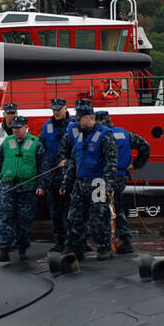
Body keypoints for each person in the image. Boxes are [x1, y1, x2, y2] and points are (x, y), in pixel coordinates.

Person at [61, 105, 118, 260]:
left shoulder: (105, 135)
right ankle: (77, 247)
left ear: (88, 118)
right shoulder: (80, 136)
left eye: (79, 119)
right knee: (75, 216)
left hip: (98, 181)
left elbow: (111, 162)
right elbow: (73, 161)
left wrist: (108, 184)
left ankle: (103, 248)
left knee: (99, 217)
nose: (77, 123)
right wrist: (66, 182)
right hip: (81, 182)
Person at [0, 116, 47, 263]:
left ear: (25, 127)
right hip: (8, 185)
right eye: (14, 128)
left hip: (27, 188)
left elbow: (43, 167)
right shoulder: (7, 142)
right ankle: (4, 249)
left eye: (18, 127)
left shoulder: (36, 144)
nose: (15, 130)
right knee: (5, 218)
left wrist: (41, 185)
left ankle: (22, 248)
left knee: (25, 220)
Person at [95, 110, 152, 253]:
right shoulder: (124, 133)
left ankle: (108, 241)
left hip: (104, 177)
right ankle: (123, 239)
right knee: (117, 207)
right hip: (121, 176)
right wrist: (136, 164)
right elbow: (145, 146)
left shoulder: (101, 135)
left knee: (102, 208)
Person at [39, 97, 77, 252]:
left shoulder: (75, 126)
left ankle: (78, 240)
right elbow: (41, 150)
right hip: (53, 175)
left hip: (71, 175)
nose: (56, 112)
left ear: (66, 109)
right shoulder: (46, 127)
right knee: (55, 211)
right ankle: (59, 240)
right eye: (54, 109)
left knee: (75, 210)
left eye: (59, 109)